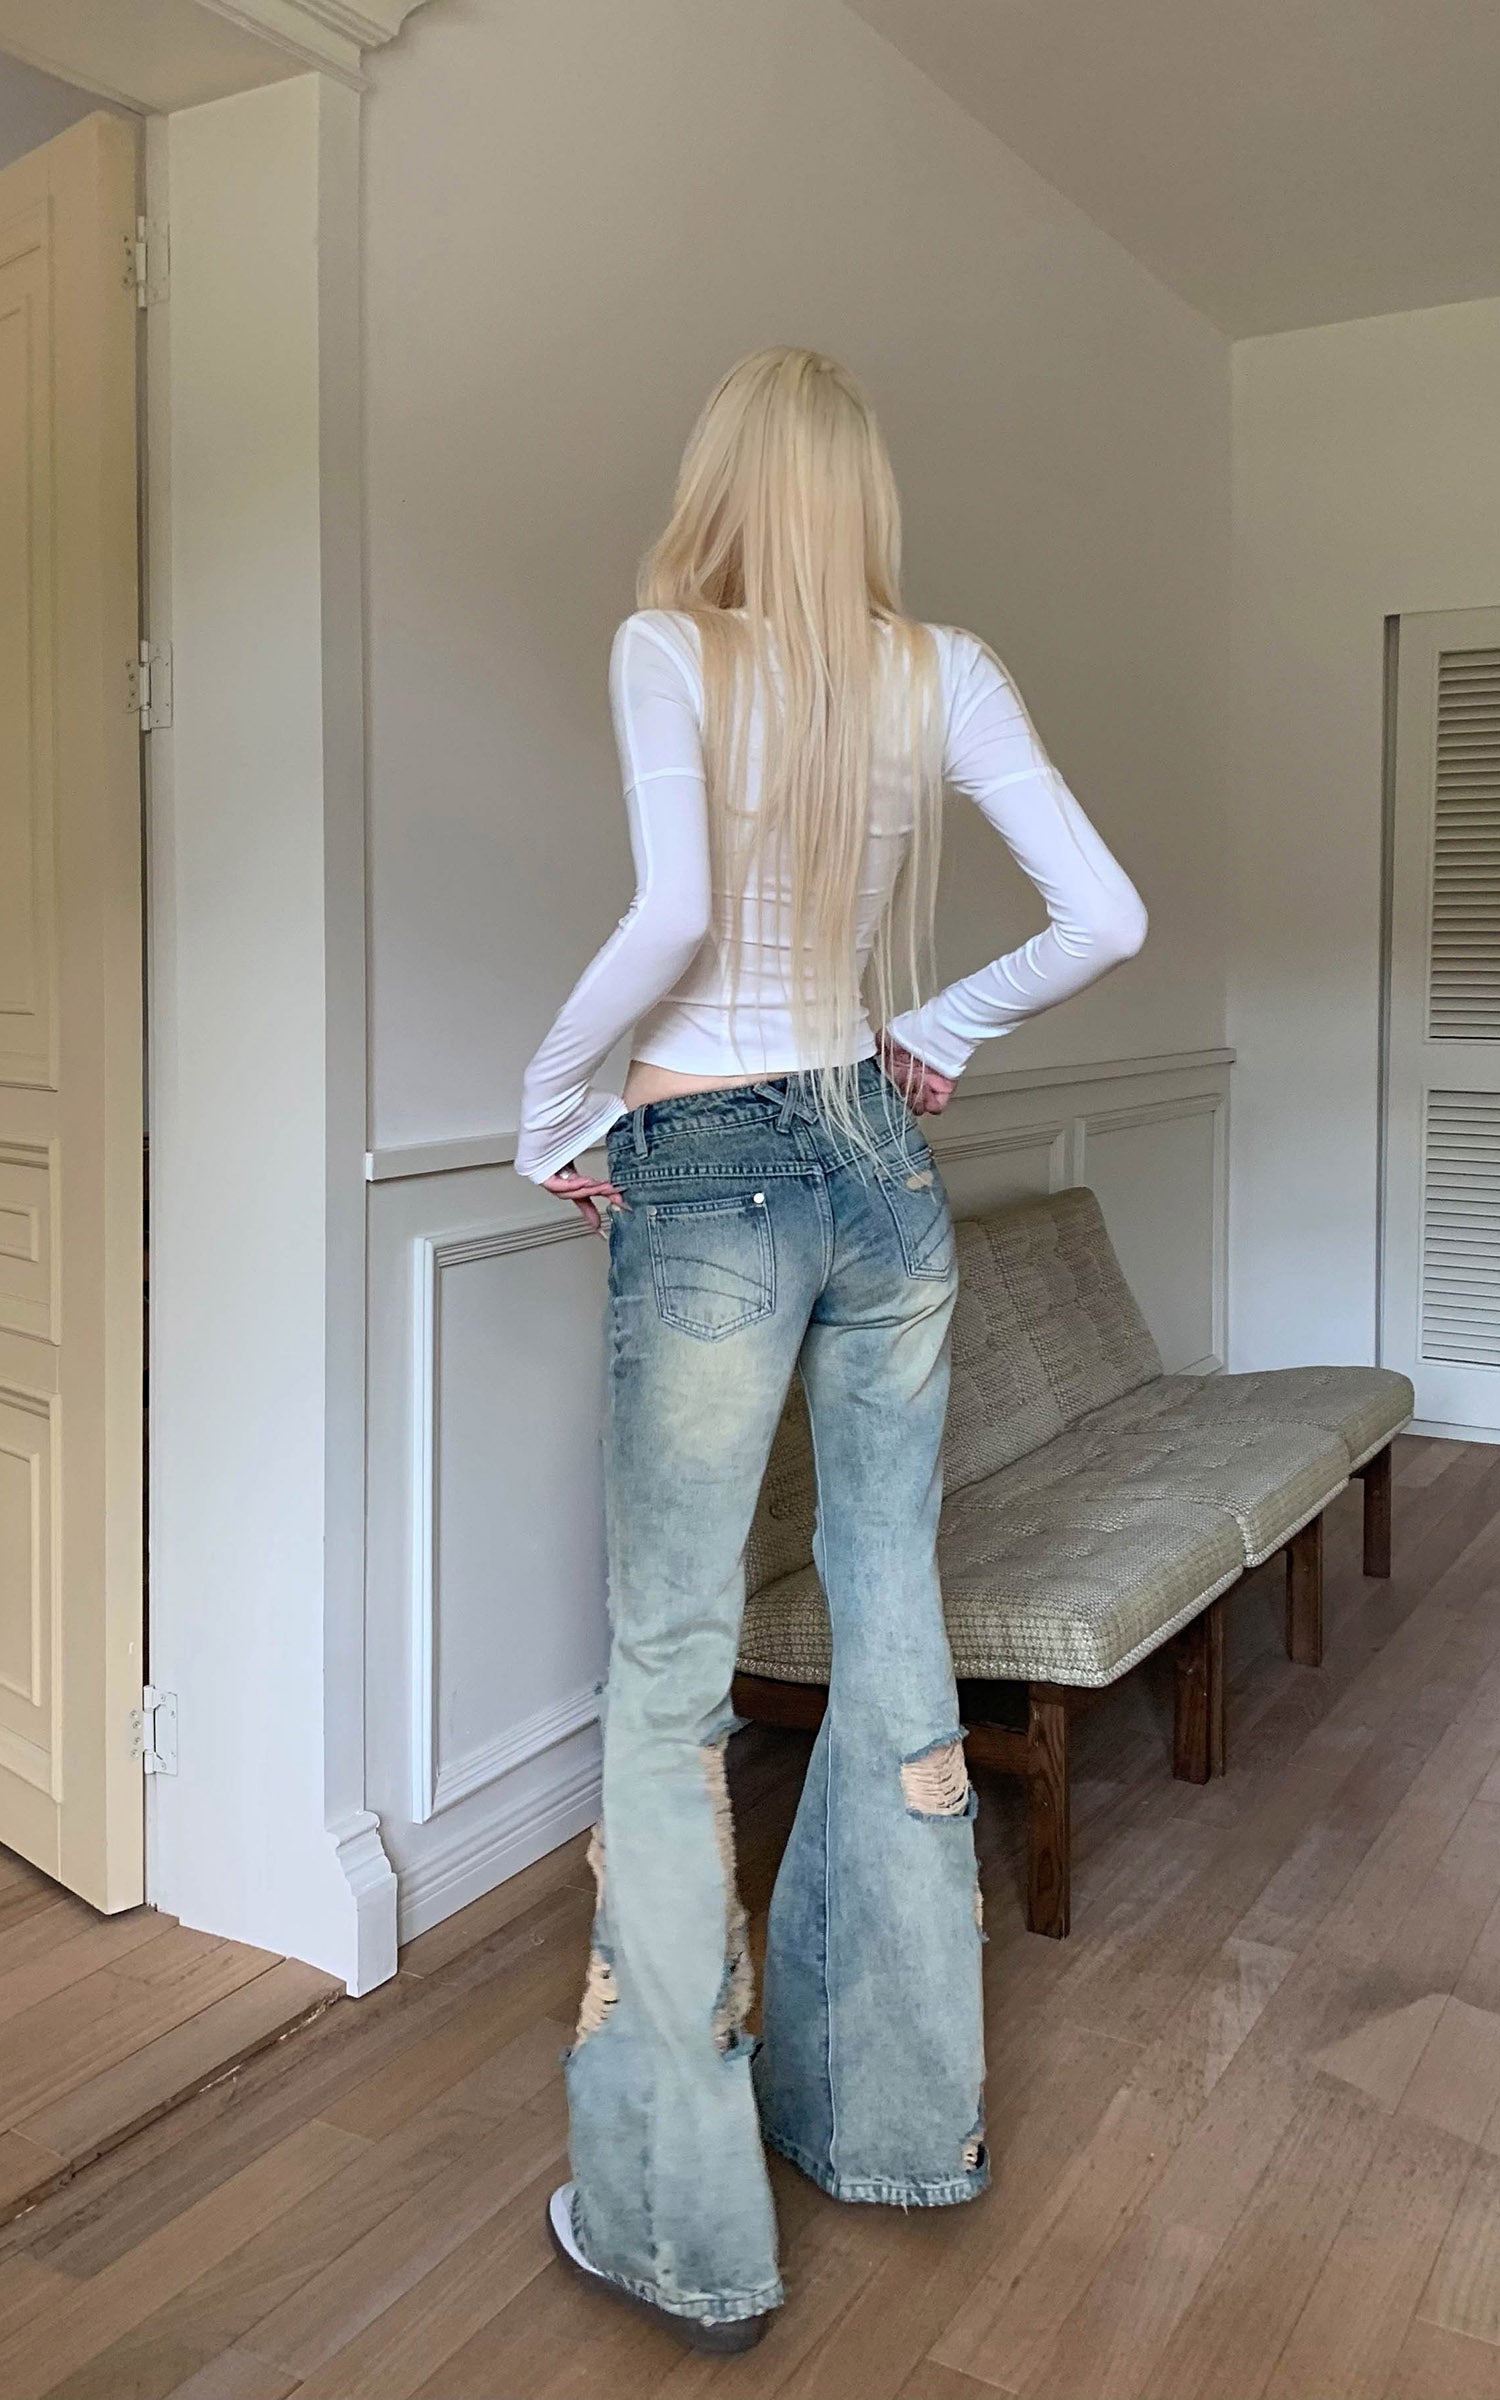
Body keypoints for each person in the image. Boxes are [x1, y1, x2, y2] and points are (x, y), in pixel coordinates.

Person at [514, 347, 1147, 2350]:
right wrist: (937, 1027)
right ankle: (887, 2123)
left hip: (704, 1157)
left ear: (722, 479)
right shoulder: (938, 669)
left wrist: (549, 1105)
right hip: (880, 1164)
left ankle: (683, 2229)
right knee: (891, 1615)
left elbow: (669, 914)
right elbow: (1107, 914)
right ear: (861, 494)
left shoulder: (667, 648)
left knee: (669, 1676)